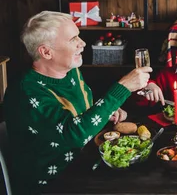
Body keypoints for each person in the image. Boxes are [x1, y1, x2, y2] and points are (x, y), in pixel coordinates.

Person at [4, 11, 152, 194]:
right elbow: (74, 134)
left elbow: (80, 113)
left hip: (85, 163)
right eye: (73, 39)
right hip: (53, 183)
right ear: (46, 52)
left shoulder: (70, 71)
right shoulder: (25, 93)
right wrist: (122, 88)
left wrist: (105, 112)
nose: (82, 43)